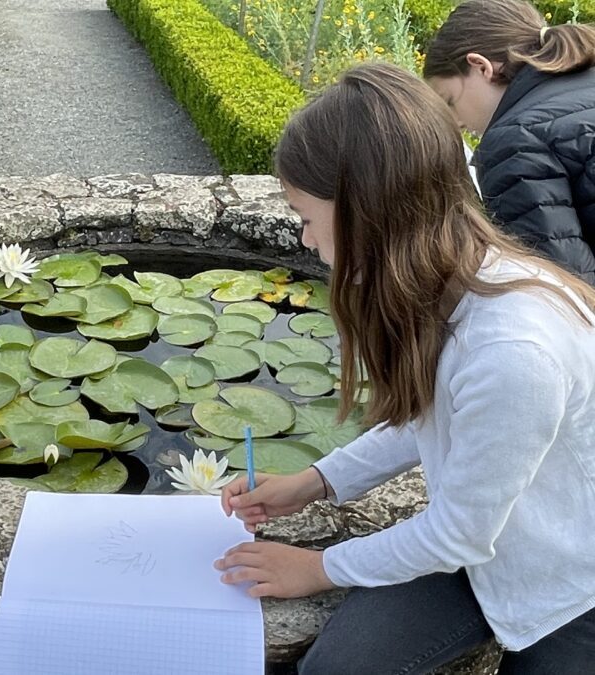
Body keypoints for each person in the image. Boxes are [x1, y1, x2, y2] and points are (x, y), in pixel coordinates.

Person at [214, 63, 595, 674]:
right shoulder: (449, 279)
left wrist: (315, 568)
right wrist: (313, 481)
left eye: (307, 217)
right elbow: (426, 415)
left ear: (367, 211)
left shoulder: (513, 351)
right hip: (478, 550)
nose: (307, 240)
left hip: (566, 583)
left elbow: (458, 534)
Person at [424, 0, 595, 285]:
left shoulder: (515, 142)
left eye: (450, 102)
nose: (456, 122)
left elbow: (562, 290)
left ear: (481, 67)